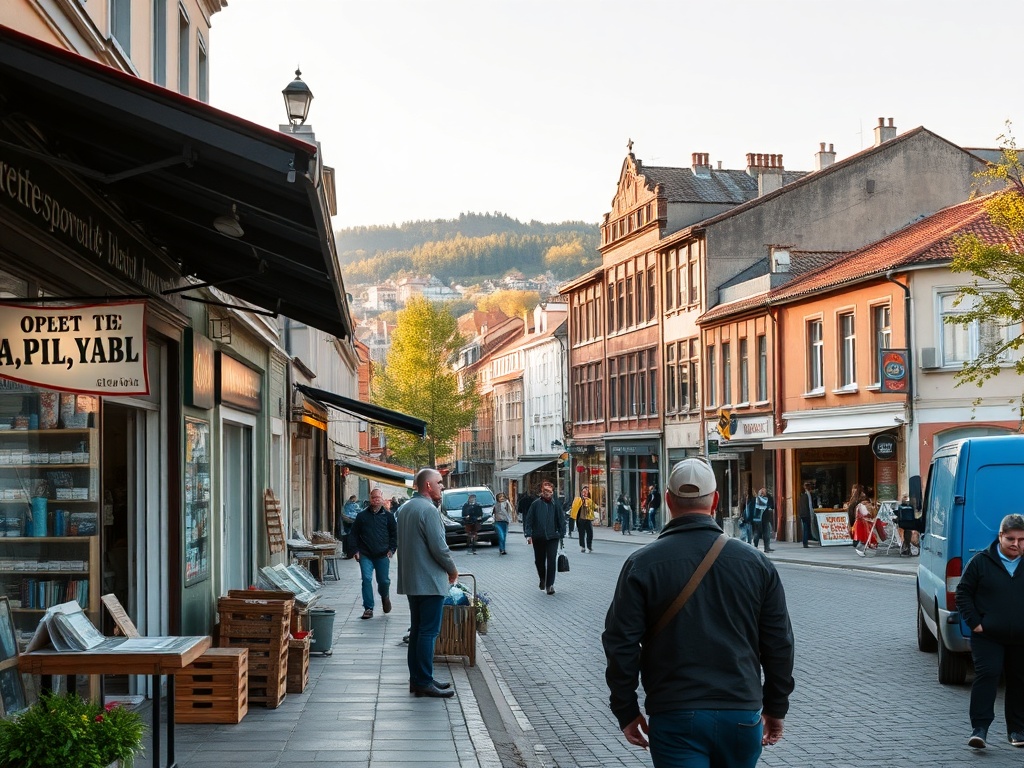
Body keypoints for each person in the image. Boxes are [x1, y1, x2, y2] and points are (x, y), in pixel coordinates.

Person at [602, 458, 795, 767]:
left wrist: (626, 709)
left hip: (675, 712)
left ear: (668, 501)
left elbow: (620, 644)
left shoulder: (642, 564)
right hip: (740, 711)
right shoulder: (756, 563)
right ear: (715, 500)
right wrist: (776, 705)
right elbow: (779, 643)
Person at [956, 514, 1024, 749]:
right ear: (1000, 536)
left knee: (1019, 680)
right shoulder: (981, 562)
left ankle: (1017, 730)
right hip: (988, 636)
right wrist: (975, 623)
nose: (1016, 544)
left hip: (1021, 637)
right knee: (988, 675)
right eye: (1011, 539)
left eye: (1022, 540)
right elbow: (963, 593)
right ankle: (980, 729)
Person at [396, 468, 459, 698]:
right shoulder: (429, 510)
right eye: (439, 482)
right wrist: (452, 570)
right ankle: (423, 680)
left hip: (412, 580)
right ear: (428, 486)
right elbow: (439, 548)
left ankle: (419, 679)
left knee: (417, 630)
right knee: (428, 632)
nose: (442, 486)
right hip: (429, 581)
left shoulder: (405, 508)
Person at [348, 488, 397, 620]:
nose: (375, 500)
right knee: (366, 579)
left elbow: (394, 534)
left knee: (384, 581)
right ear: (370, 499)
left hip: (382, 555)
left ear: (382, 499)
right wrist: (355, 551)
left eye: (378, 498)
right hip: (365, 554)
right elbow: (353, 534)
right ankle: (368, 608)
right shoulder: (362, 516)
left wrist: (391, 549)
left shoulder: (388, 517)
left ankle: (385, 596)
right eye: (373, 498)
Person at [524, 480, 565, 595]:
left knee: (551, 561)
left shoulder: (556, 504)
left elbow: (561, 519)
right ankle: (542, 579)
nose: (548, 493)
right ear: (542, 491)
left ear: (552, 492)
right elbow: (529, 520)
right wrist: (528, 534)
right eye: (546, 490)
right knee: (539, 561)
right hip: (538, 537)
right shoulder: (535, 504)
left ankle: (550, 585)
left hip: (553, 537)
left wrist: (562, 533)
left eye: (550, 491)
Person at [571, 485, 597, 553]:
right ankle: (582, 546)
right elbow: (574, 507)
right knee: (581, 533)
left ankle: (589, 546)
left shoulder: (590, 500)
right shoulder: (578, 499)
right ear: (581, 492)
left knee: (590, 533)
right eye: (584, 491)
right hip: (580, 519)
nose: (585, 493)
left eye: (586, 491)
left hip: (588, 519)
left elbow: (595, 507)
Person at [750, 487, 775, 553]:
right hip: (763, 519)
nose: (763, 493)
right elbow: (772, 506)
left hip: (758, 519)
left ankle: (757, 547)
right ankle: (765, 547)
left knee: (759, 533)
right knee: (764, 533)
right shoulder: (766, 499)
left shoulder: (756, 499)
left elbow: (751, 508)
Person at [797, 481, 816, 548]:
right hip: (806, 514)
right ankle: (805, 543)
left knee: (806, 528)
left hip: (803, 514)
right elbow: (808, 506)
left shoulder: (802, 495)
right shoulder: (807, 496)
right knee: (806, 528)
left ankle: (806, 541)